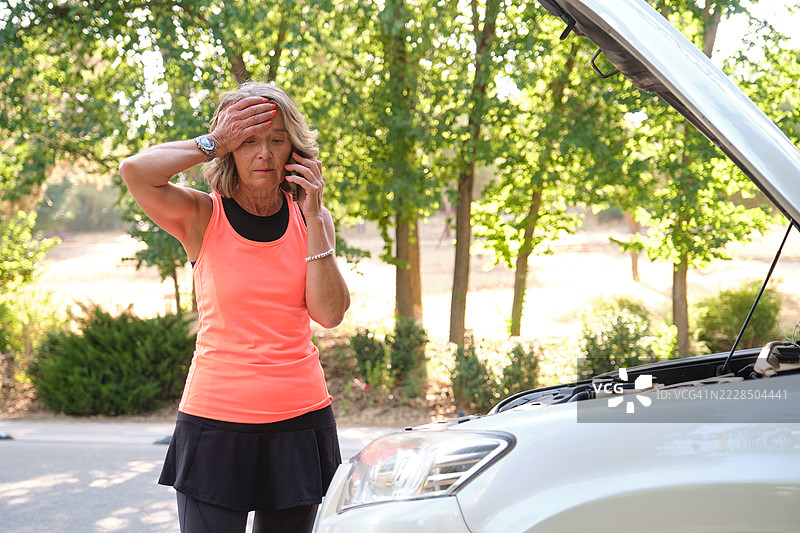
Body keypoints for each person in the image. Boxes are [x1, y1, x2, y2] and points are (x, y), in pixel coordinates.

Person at [119, 81, 350, 533]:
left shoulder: (314, 221)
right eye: (248, 140)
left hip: (299, 422)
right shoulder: (202, 216)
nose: (263, 152)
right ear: (230, 150)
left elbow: (329, 314)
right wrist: (213, 142)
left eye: (276, 139)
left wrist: (317, 217)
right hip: (215, 422)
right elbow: (135, 170)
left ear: (294, 152)